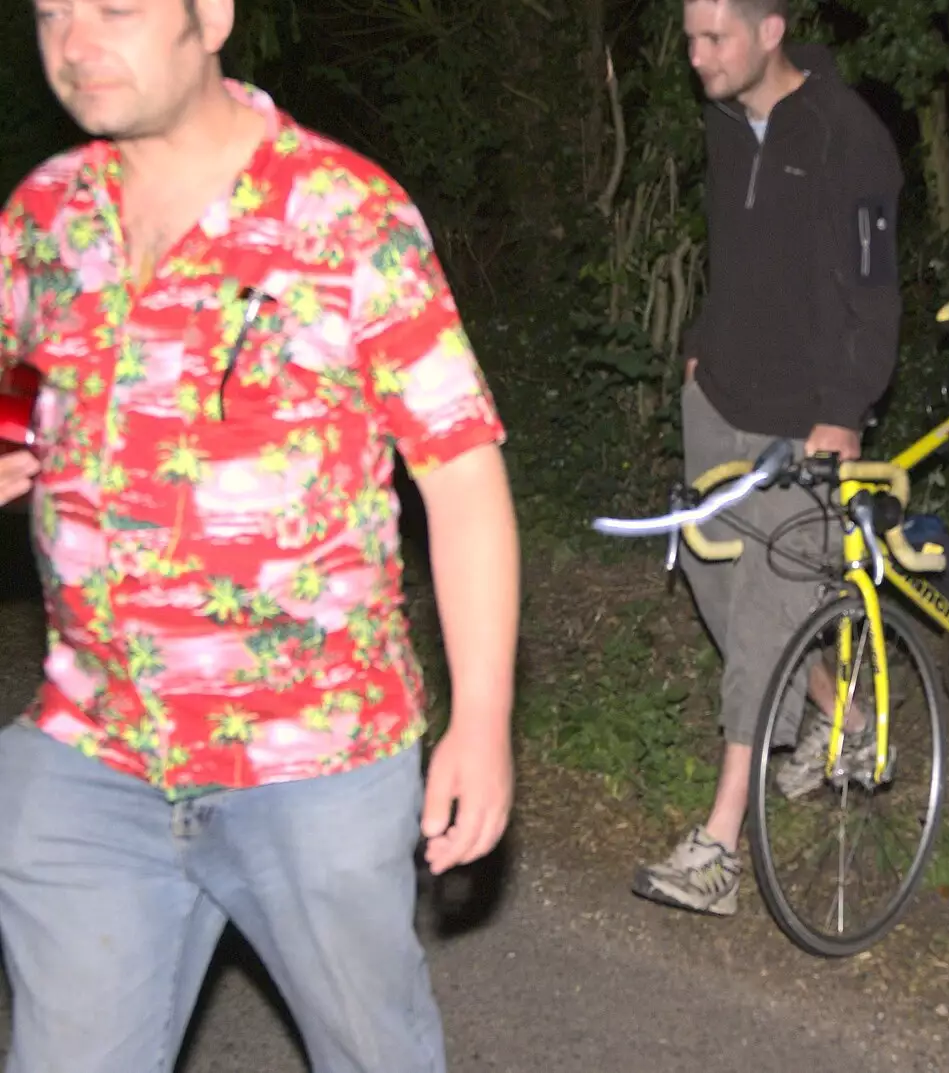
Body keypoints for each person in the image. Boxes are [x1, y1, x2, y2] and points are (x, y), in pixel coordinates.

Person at [0, 1, 520, 1070]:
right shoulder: (41, 217)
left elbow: (461, 474)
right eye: (52, 9)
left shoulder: (343, 211)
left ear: (213, 16)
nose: (75, 40)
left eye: (115, 8)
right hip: (90, 746)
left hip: (311, 758)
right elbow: (19, 393)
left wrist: (482, 716)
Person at [631, 0, 903, 917]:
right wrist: (701, 348)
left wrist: (846, 411)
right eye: (692, 41)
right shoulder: (722, 120)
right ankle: (844, 716)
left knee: (762, 612)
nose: (698, 58)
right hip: (721, 402)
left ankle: (718, 849)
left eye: (716, 39)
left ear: (771, 30)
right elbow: (732, 252)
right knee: (716, 587)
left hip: (805, 420)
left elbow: (873, 292)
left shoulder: (846, 137)